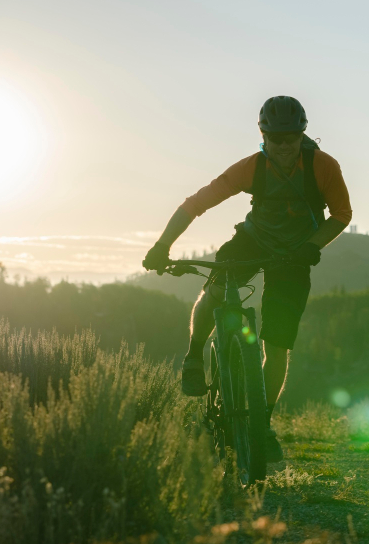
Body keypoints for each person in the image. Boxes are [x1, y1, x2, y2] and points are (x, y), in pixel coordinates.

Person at [142, 96, 352, 462]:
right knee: (218, 285)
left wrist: (313, 245)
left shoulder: (322, 166)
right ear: (263, 136)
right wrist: (162, 245)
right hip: (253, 241)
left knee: (278, 345)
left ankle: (261, 424)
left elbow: (341, 214)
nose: (284, 147)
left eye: (291, 138)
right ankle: (194, 358)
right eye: (276, 139)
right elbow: (195, 204)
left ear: (302, 134)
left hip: (295, 254)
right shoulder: (251, 168)